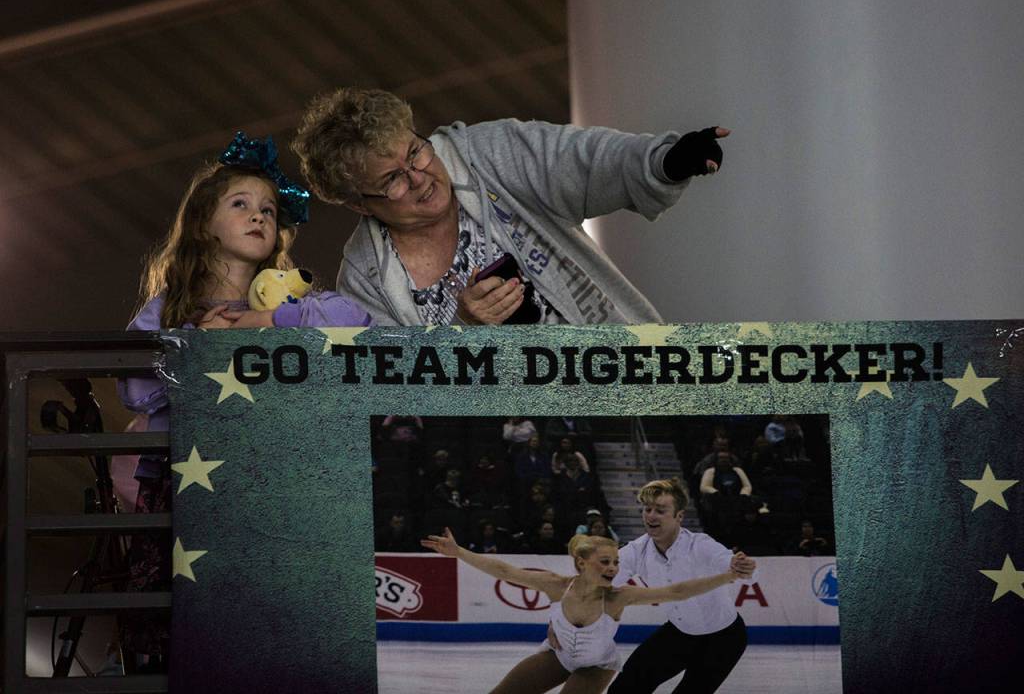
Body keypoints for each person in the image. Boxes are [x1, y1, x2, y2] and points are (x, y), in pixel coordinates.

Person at [116, 132, 372, 668]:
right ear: (203, 222)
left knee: (268, 637)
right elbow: (134, 386)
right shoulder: (168, 311)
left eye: (269, 210)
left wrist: (263, 321)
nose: (259, 216)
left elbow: (351, 320)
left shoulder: (297, 298)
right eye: (241, 205)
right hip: (185, 491)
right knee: (178, 639)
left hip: (270, 489)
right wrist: (197, 349)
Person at [291, 87, 728, 325]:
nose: (419, 177)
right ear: (359, 205)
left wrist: (664, 160)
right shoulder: (365, 280)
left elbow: (584, 159)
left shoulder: (488, 152)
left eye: (415, 153)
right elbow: (402, 398)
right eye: (392, 180)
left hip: (626, 386)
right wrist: (466, 332)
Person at [422, 529, 748, 694]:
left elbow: (676, 591)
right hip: (557, 656)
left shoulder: (619, 597)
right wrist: (458, 552)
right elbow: (505, 571)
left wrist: (727, 575)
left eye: (616, 562)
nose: (613, 568)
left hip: (595, 668)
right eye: (605, 562)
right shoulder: (556, 585)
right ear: (582, 563)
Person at [605, 478, 758, 694]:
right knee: (625, 688)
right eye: (647, 509)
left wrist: (743, 567)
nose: (650, 516)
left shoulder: (700, 545)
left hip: (724, 640)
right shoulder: (636, 550)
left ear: (679, 516)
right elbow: (601, 582)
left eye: (660, 510)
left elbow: (732, 564)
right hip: (680, 634)